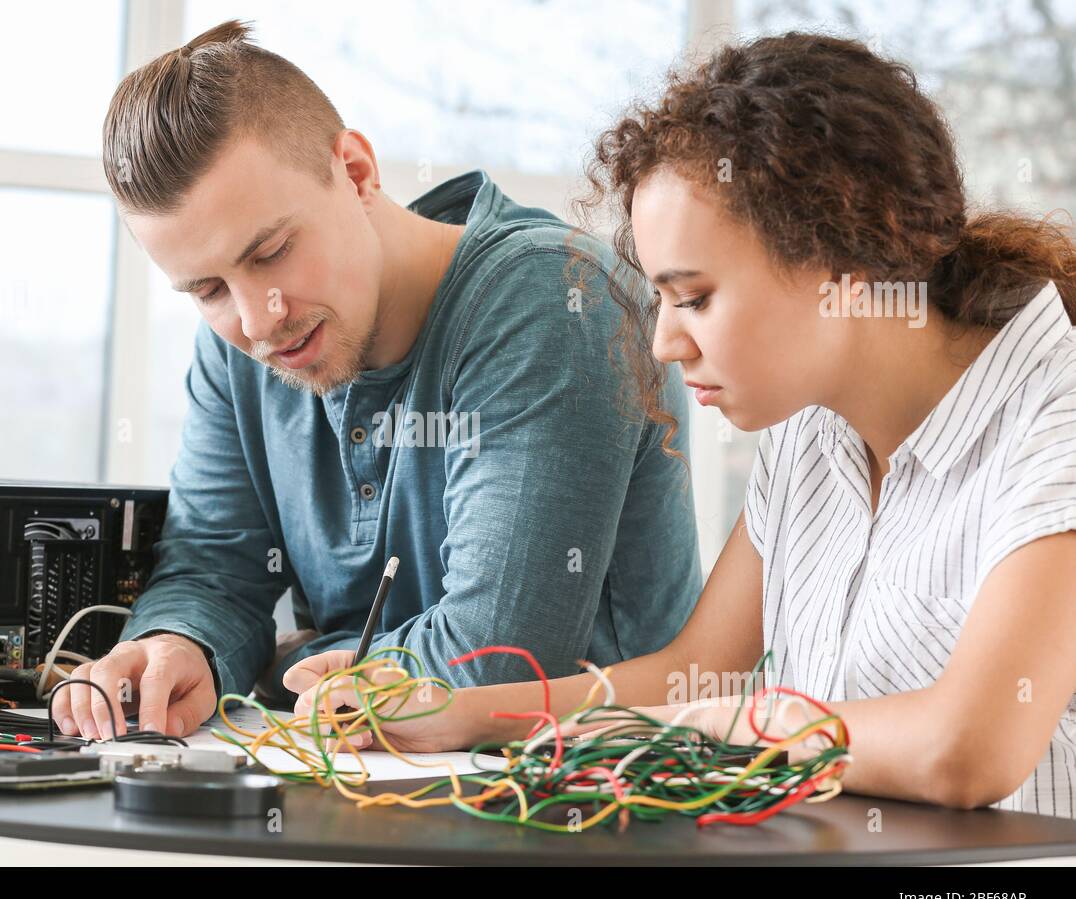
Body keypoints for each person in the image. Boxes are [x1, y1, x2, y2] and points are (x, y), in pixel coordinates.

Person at [286, 32, 1076, 816]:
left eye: (694, 297)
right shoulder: (811, 431)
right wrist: (452, 713)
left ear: (848, 255)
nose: (664, 341)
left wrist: (717, 729)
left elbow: (965, 750)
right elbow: (698, 671)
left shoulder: (1053, 412)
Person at [50, 20, 702, 741]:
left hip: (582, 812)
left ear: (357, 172)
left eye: (271, 252)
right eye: (206, 289)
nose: (257, 322)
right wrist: (182, 646)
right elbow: (213, 568)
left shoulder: (554, 297)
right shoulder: (239, 347)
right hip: (363, 800)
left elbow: (497, 659)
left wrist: (281, 664)